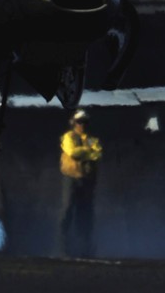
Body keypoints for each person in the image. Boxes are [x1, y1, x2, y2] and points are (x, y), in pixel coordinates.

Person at [57, 108, 102, 257]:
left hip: (87, 180)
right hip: (71, 178)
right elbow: (73, 153)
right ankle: (63, 247)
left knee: (85, 212)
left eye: (84, 122)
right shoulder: (68, 137)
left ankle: (84, 246)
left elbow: (98, 154)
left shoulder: (92, 139)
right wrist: (88, 152)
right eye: (79, 122)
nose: (82, 124)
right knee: (67, 210)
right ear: (74, 122)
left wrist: (85, 152)